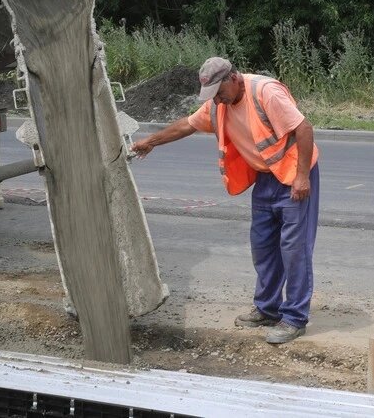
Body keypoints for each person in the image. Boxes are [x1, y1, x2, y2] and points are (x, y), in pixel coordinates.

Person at [132, 57, 319, 344]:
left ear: (233, 78)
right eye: (212, 95)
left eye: (220, 92)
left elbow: (304, 129)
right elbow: (187, 125)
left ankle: (294, 317)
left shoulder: (264, 92)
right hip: (266, 177)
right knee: (263, 246)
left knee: (294, 249)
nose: (217, 100)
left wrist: (302, 176)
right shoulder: (220, 104)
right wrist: (150, 142)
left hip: (294, 173)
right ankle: (268, 309)